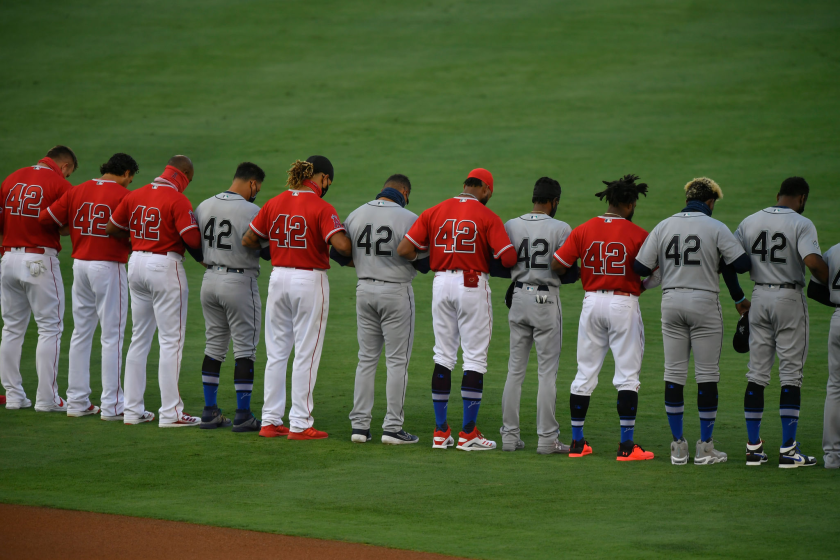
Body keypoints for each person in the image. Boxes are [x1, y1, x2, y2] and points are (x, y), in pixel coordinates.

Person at [397, 168, 516, 451]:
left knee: (443, 355)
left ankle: (440, 433)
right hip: (472, 285)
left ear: (464, 185)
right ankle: (467, 434)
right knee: (474, 358)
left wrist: (426, 261)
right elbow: (509, 258)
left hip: (441, 285)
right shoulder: (487, 216)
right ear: (486, 189)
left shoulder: (434, 211)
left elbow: (405, 249)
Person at [633, 178, 751, 465]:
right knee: (707, 374)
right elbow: (743, 265)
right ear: (710, 202)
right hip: (704, 303)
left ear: (687, 199)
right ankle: (705, 448)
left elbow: (639, 267)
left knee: (673, 373)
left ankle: (677, 447)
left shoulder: (664, 225)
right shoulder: (716, 227)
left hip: (671, 302)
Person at [243, 156, 351, 440]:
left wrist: (278, 249)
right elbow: (341, 245)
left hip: (278, 278)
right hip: (309, 280)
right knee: (306, 353)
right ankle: (300, 424)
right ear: (322, 178)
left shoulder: (275, 202)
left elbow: (249, 239)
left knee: (276, 353)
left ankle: (270, 421)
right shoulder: (322, 207)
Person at [551, 174, 655, 461]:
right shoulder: (639, 234)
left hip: (591, 302)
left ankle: (576, 443)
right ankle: (626, 447)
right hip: (624, 303)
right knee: (627, 376)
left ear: (609, 201)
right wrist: (640, 287)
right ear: (630, 204)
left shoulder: (584, 229)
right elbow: (657, 271)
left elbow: (558, 264)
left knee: (584, 373)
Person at [730, 177, 829, 467]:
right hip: (788, 298)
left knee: (756, 374)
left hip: (759, 297)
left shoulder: (749, 221)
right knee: (790, 376)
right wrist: (829, 278)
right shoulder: (801, 223)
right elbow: (812, 262)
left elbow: (730, 260)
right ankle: (788, 451)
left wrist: (739, 295)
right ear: (801, 197)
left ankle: (753, 448)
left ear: (778, 195)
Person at [105, 155, 205, 427]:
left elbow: (111, 227)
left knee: (139, 338)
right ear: (183, 174)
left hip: (136, 263)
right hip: (165, 266)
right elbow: (193, 239)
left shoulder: (135, 194)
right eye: (189, 179)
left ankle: (132, 411)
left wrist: (136, 241)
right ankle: (171, 413)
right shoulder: (177, 199)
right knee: (171, 341)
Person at [40, 153, 138, 420]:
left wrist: (70, 227)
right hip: (108, 267)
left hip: (80, 265)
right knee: (112, 336)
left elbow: (47, 219)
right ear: (127, 173)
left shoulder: (78, 189)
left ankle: (76, 402)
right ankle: (112, 405)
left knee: (81, 333)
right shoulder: (123, 195)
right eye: (130, 178)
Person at [333, 174, 429, 445]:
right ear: (404, 192)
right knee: (397, 361)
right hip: (396, 292)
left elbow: (338, 253)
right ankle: (392, 428)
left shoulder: (356, 214)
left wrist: (364, 265)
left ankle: (359, 428)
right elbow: (424, 262)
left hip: (364, 291)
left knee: (366, 359)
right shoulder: (409, 218)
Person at [498, 177, 576, 455]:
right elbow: (567, 270)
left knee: (514, 370)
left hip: (519, 296)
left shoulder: (511, 225)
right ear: (554, 201)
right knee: (546, 373)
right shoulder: (561, 228)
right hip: (546, 298)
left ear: (534, 198)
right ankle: (546, 440)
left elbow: (499, 262)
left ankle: (509, 437)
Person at [0, 146, 77, 412]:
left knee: (11, 329)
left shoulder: (11, 178)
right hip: (38, 261)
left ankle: (13, 396)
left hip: (8, 258)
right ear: (65, 166)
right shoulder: (59, 184)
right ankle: (47, 398)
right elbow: (67, 226)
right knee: (50, 328)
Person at [195, 162, 268, 433]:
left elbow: (193, 243)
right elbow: (266, 250)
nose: (256, 192)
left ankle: (209, 411)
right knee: (245, 349)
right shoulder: (252, 210)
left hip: (209, 280)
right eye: (257, 187)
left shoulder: (203, 206)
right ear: (251, 183)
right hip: (239, 281)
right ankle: (243, 414)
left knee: (214, 346)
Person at [807, 242, 840, 468]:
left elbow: (814, 289)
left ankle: (832, 457)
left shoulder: (835, 250)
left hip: (838, 320)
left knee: (835, 387)